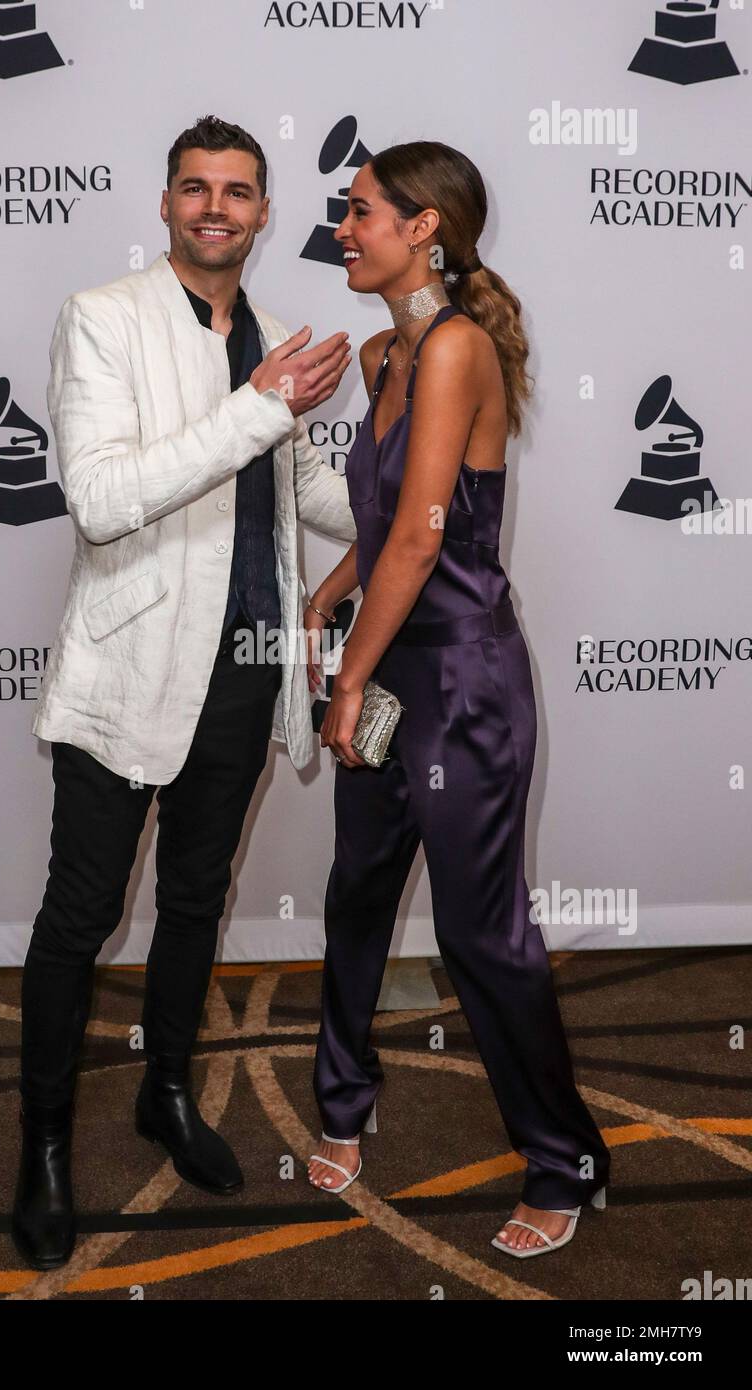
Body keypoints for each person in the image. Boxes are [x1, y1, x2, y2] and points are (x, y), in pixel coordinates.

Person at [13, 115, 356, 1271]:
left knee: (198, 900)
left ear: (263, 214)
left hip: (246, 673)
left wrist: (417, 465)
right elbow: (103, 498)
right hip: (131, 669)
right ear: (165, 204)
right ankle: (45, 1147)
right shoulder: (103, 317)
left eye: (240, 191)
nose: (217, 207)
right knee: (80, 916)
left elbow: (303, 493)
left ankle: (167, 1091)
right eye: (196, 188)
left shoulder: (264, 333)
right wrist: (261, 404)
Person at [304, 142, 611, 1258]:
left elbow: (429, 541)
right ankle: (343, 1103)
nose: (343, 228)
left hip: (462, 680)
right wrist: (324, 596)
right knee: (355, 897)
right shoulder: (384, 351)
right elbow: (386, 526)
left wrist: (346, 676)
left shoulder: (452, 348)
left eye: (361, 212)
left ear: (424, 227)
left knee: (481, 936)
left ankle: (562, 1158)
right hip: (392, 659)